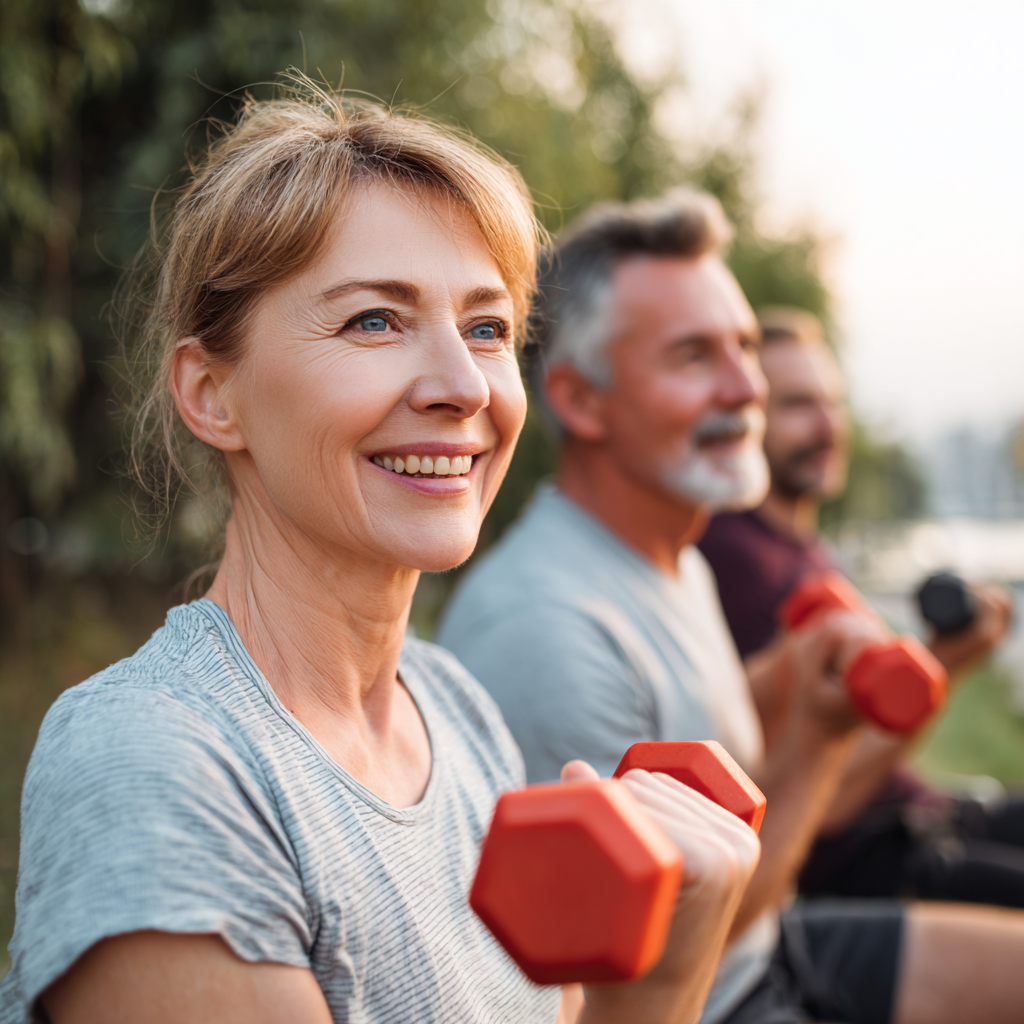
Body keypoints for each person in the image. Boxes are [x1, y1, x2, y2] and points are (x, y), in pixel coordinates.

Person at [0, 82, 762, 1024]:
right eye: (374, 320)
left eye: (486, 329)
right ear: (211, 394)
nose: (462, 386)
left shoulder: (456, 709)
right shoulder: (153, 761)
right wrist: (659, 984)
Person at [438, 190, 1024, 1024]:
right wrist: (819, 743)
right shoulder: (548, 629)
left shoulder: (673, 558)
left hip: (772, 941)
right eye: (694, 356)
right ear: (580, 400)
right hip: (711, 995)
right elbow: (672, 945)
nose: (747, 385)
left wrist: (789, 672)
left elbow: (691, 738)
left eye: (745, 347)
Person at [697, 306, 1024, 907]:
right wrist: (945, 665)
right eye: (796, 406)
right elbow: (817, 800)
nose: (827, 426)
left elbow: (863, 737)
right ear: (745, 418)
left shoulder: (806, 550)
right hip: (863, 864)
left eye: (833, 402)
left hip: (918, 815)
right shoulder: (736, 558)